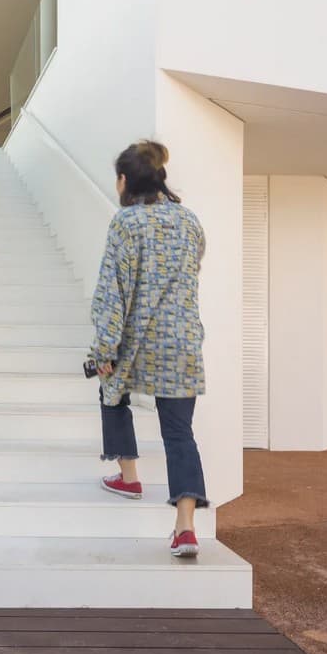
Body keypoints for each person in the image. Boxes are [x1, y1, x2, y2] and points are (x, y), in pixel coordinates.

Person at [90, 139, 209, 559]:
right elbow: (192, 271)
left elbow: (111, 295)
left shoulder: (126, 224)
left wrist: (102, 350)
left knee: (109, 387)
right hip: (183, 345)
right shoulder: (190, 221)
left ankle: (129, 476)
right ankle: (186, 528)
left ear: (124, 180)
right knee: (180, 434)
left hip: (138, 344)